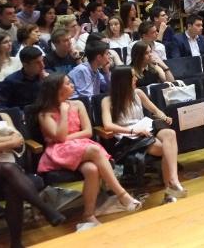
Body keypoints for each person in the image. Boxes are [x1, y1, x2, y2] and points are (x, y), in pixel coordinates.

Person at [34, 73, 141, 231]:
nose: (72, 85)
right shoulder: (45, 114)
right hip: (59, 152)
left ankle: (88, 214)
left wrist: (66, 138)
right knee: (94, 149)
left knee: (92, 169)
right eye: (68, 83)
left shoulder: (78, 104)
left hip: (80, 146)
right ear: (57, 89)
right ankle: (122, 194)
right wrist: (63, 112)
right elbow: (59, 137)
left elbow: (88, 131)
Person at [0, 84, 66, 247]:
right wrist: (6, 142)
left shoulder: (3, 116)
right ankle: (44, 208)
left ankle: (16, 243)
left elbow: (19, 140)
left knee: (12, 189)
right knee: (7, 168)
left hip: (10, 169)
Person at [101, 66, 186, 203]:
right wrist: (133, 131)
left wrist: (164, 117)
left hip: (145, 128)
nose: (136, 78)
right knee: (165, 149)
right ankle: (169, 190)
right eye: (133, 76)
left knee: (170, 133)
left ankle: (174, 180)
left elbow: (155, 110)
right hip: (128, 137)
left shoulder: (138, 93)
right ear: (123, 80)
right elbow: (108, 125)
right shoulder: (107, 101)